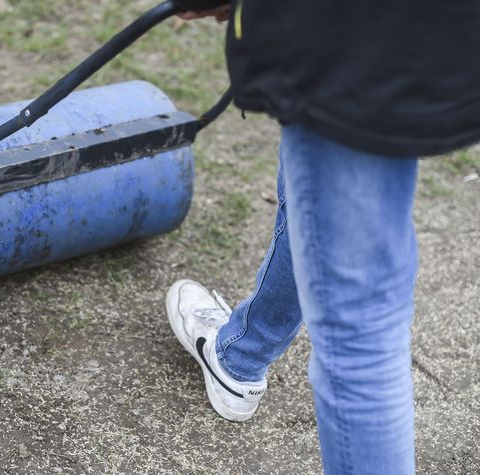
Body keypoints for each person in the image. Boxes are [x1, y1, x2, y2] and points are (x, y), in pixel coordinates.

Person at [166, 1, 480, 474]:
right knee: (324, 201)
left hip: (358, 40)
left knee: (361, 330)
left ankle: (241, 359)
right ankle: (243, 353)